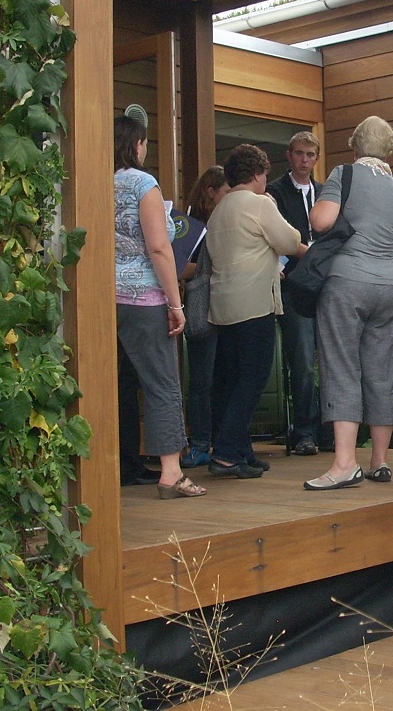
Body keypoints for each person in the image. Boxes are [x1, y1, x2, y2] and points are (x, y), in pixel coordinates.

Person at [304, 116, 393, 491]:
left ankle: (344, 464)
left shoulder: (344, 174)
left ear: (355, 145)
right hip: (390, 289)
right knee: (382, 371)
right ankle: (379, 461)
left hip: (348, 284)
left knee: (341, 366)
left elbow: (322, 221)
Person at [113, 115, 206, 499]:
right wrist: (175, 302)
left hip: (105, 297)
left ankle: (110, 466)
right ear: (137, 145)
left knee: (116, 386)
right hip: (145, 298)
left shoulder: (96, 181)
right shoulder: (143, 183)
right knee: (163, 384)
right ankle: (171, 472)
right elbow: (158, 248)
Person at [205, 144, 305, 478]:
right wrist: (272, 206)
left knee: (230, 380)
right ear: (257, 175)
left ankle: (241, 450)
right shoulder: (259, 204)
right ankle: (226, 454)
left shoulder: (219, 209)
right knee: (252, 378)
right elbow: (289, 241)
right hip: (253, 304)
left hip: (223, 306)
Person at [266, 131, 327, 456]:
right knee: (302, 360)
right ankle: (304, 430)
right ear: (289, 155)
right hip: (293, 285)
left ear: (317, 158)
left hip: (325, 286)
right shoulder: (274, 192)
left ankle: (331, 430)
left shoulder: (325, 193)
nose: (305, 160)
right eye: (299, 153)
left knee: (331, 359)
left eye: (310, 154)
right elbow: (272, 238)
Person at [179, 165, 229, 469]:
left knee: (225, 378)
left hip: (229, 307)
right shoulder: (191, 225)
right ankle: (200, 442)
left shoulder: (231, 220)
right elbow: (178, 266)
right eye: (226, 192)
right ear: (211, 192)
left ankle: (224, 443)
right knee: (202, 380)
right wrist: (209, 268)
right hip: (203, 307)